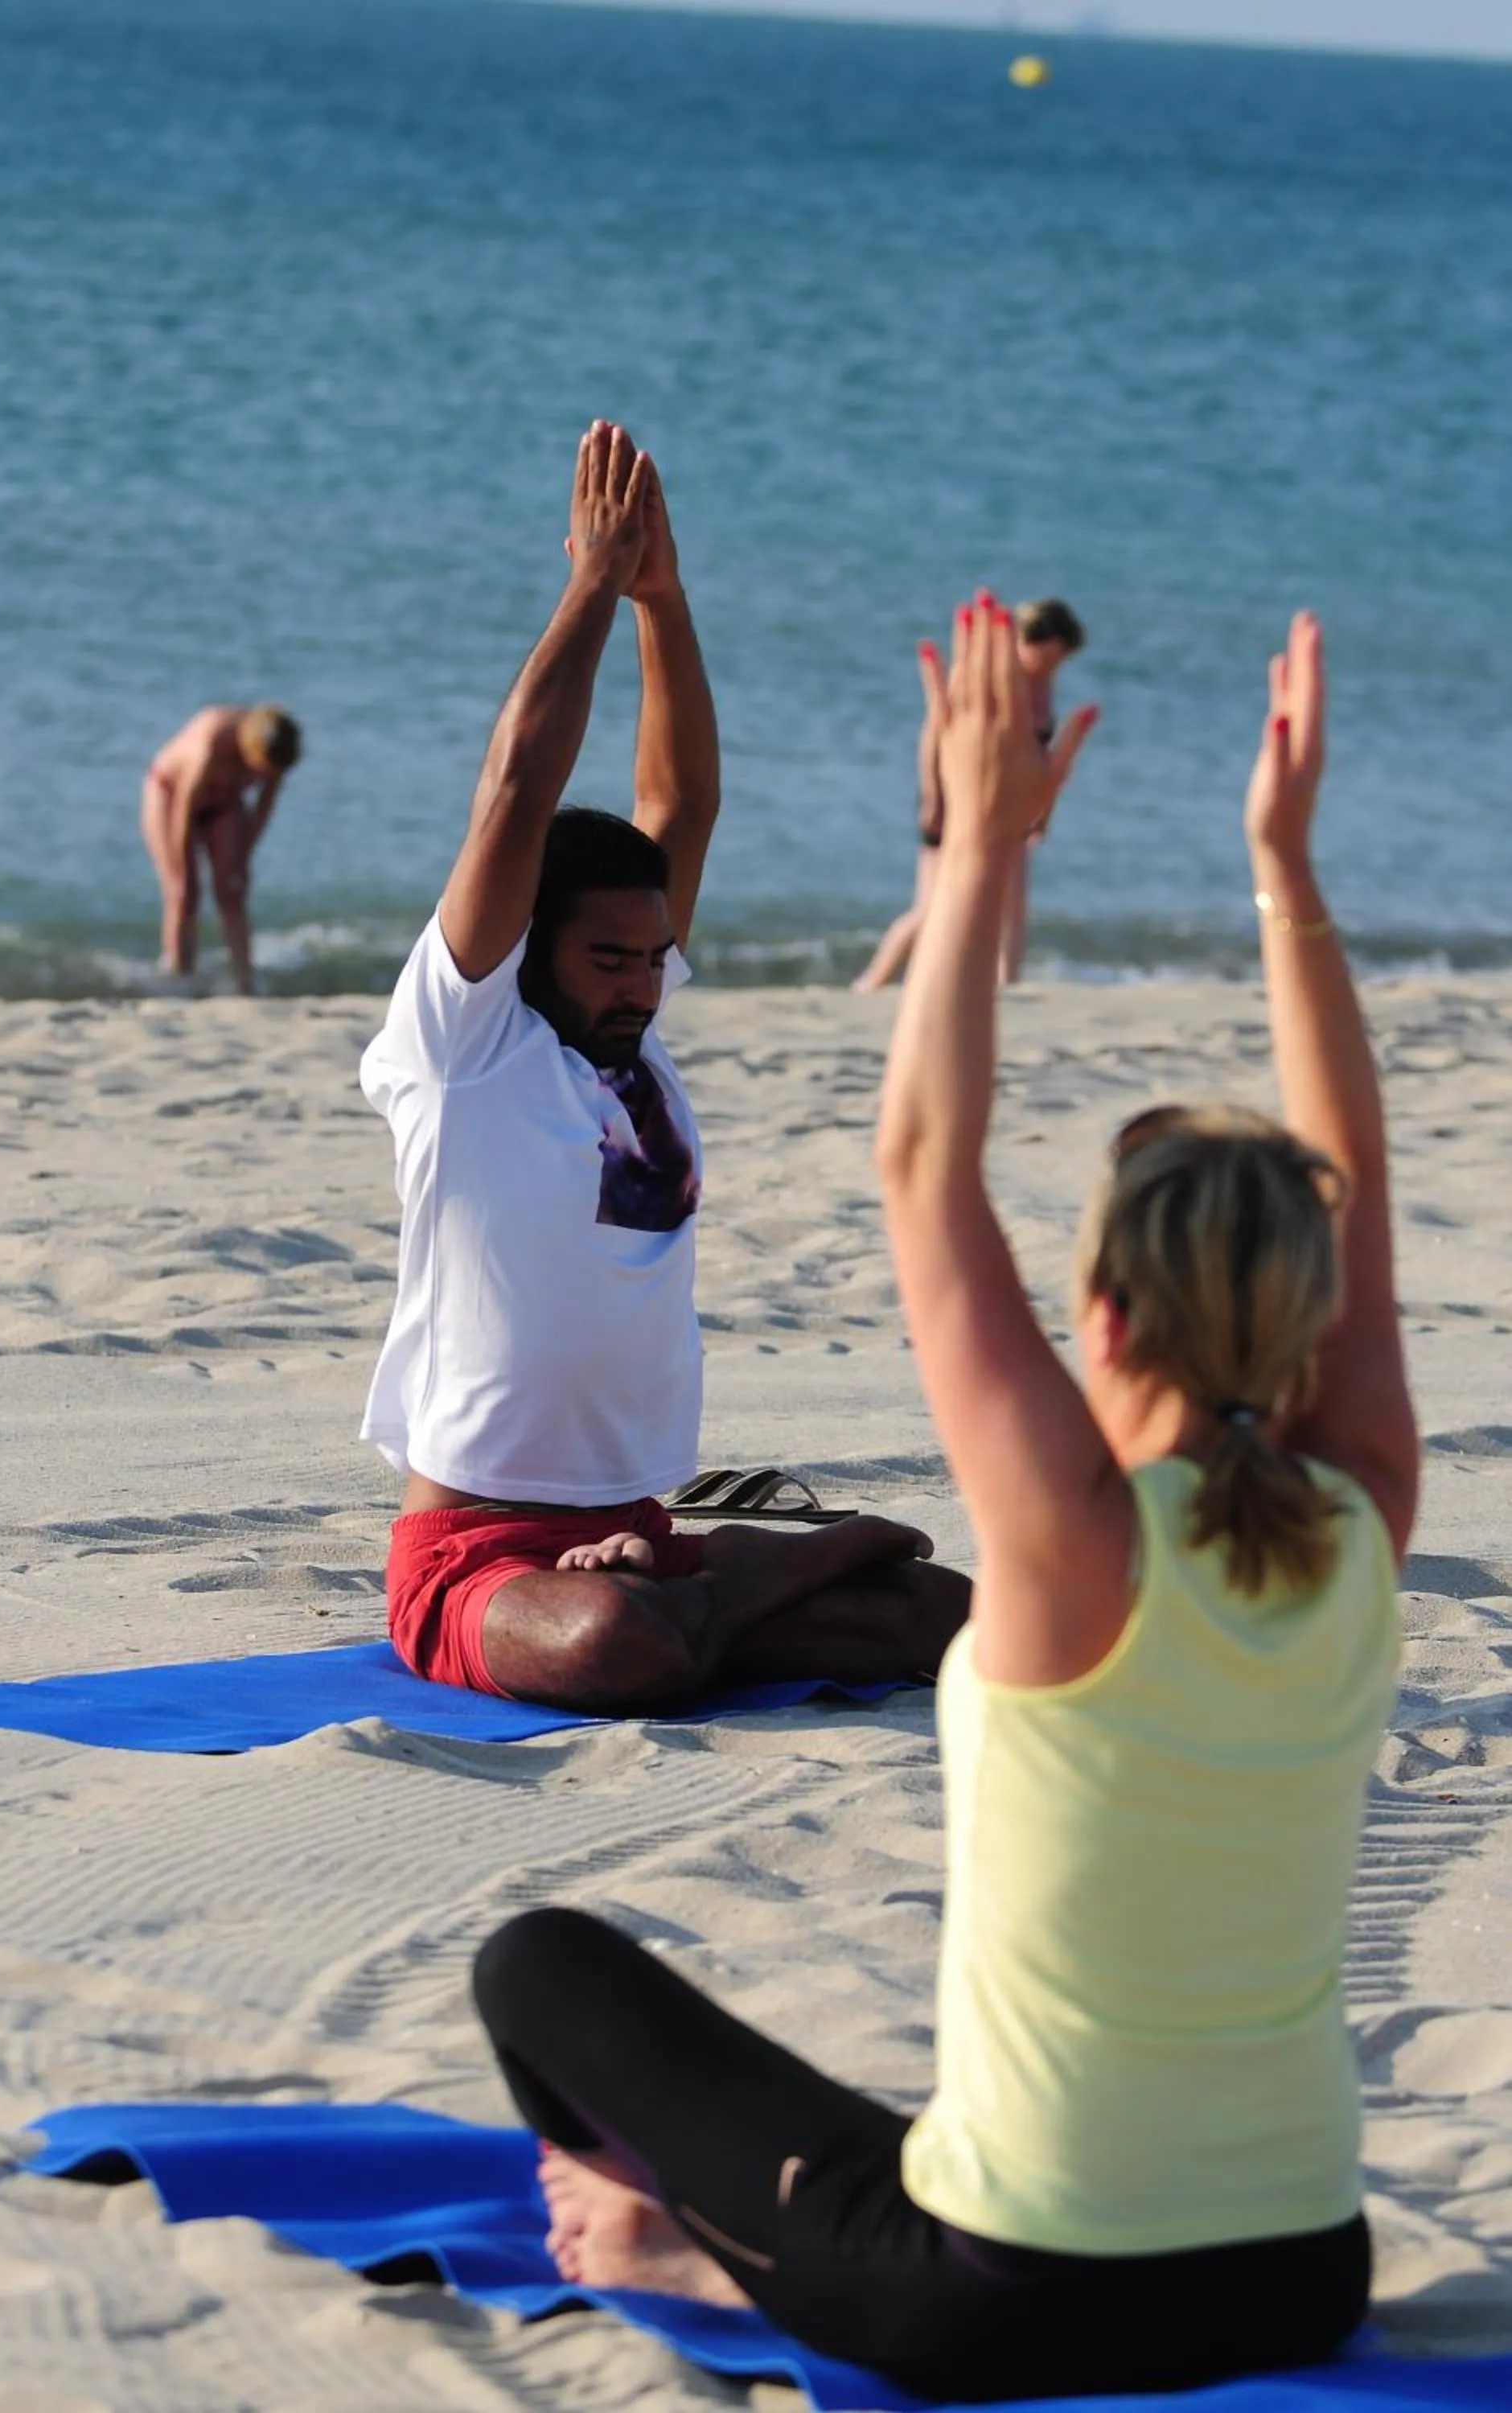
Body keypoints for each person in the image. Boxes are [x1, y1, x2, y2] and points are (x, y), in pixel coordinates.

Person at [470, 603, 1418, 2403]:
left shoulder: (1073, 1543)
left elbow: (921, 1164)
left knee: (540, 1966)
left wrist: (977, 842)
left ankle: (688, 2256)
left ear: (1106, 1317)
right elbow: (1350, 1187)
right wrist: (1283, 869)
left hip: (1005, 2296)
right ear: (1306, 1311)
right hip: (1306, 2276)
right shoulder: (1363, 1514)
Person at [360, 421, 968, 1711]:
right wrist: (590, 585)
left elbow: (681, 804)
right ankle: (753, 1578)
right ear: (530, 946)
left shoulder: (628, 1054)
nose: (643, 980)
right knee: (606, 1649)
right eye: (610, 958)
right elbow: (518, 791)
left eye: (654, 956)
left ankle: (711, 1591)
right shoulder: (467, 1047)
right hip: (480, 1557)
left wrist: (666, 600)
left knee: (950, 1616)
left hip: (639, 1530)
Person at [855, 596, 1090, 994]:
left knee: (1011, 904)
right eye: (1055, 655)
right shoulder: (981, 678)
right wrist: (933, 798)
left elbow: (1042, 756)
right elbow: (937, 733)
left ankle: (1005, 987)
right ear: (1037, 643)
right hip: (956, 797)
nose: (1057, 665)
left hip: (1012, 802)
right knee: (930, 909)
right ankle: (871, 984)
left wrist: (1044, 811)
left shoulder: (1043, 684)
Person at [140, 703, 302, 993]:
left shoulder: (278, 753)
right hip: (171, 794)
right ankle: (180, 975)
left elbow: (262, 808)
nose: (267, 776)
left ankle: (243, 981)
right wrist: (182, 860)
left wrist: (243, 855)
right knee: (182, 892)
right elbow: (184, 808)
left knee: (233, 889)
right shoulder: (213, 743)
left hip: (225, 803)